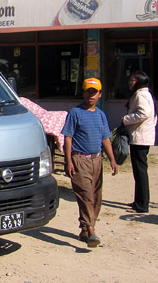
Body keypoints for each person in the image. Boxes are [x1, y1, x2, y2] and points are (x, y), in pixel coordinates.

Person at [62, 77, 118, 248]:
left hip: (97, 160)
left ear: (100, 95)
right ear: (83, 92)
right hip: (80, 160)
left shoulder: (101, 115)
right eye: (88, 91)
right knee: (86, 196)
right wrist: (68, 161)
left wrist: (112, 160)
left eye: (94, 92)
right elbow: (68, 138)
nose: (90, 95)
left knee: (95, 197)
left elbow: (106, 139)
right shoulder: (75, 113)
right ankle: (92, 230)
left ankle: (85, 229)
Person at [122, 71, 156, 214]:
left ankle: (142, 204)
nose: (130, 83)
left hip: (140, 138)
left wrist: (126, 119)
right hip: (142, 136)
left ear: (139, 81)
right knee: (138, 171)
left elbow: (145, 113)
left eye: (132, 80)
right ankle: (139, 201)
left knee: (140, 172)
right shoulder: (144, 94)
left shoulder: (141, 95)